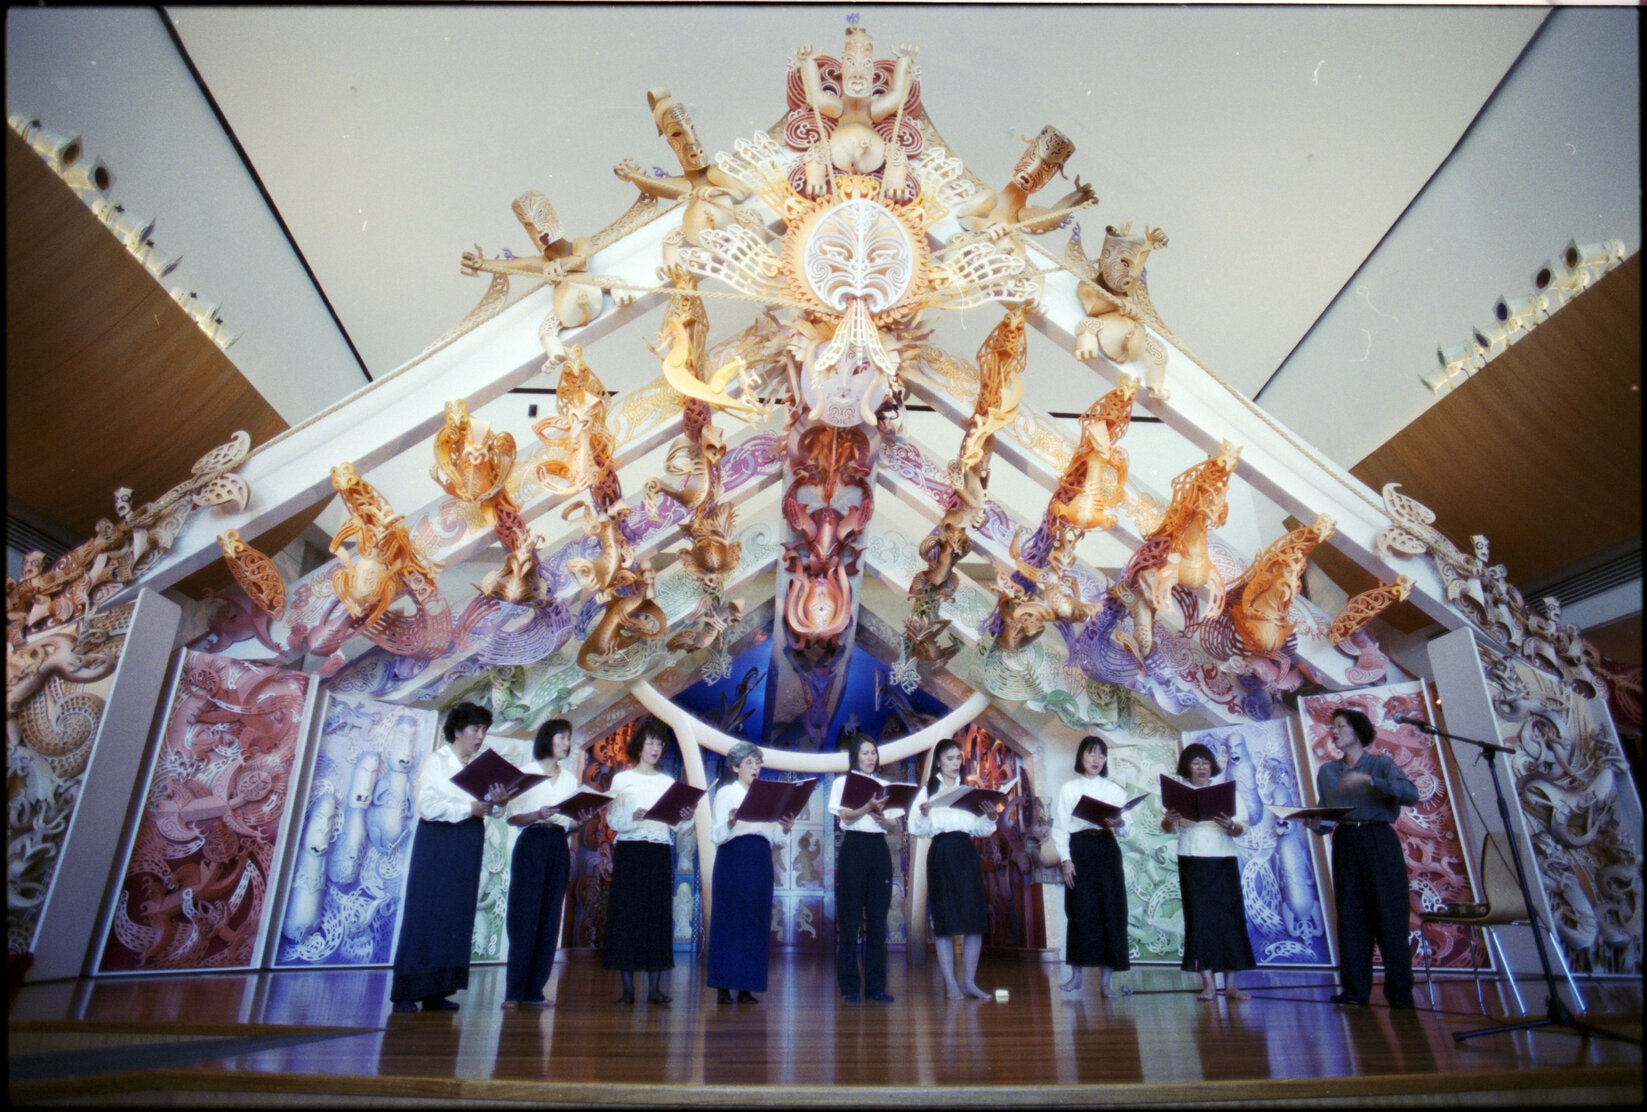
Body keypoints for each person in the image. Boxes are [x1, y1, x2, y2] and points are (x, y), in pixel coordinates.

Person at [389, 702, 499, 1014]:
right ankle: (406, 993)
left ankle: (438, 989)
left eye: (484, 731)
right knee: (426, 912)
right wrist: (468, 808)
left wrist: (499, 803)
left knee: (456, 913)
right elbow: (427, 805)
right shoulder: (436, 761)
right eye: (475, 729)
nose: (480, 736)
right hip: (438, 840)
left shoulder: (481, 768)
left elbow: (492, 810)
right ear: (457, 730)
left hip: (469, 839)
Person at [1307, 708, 1419, 1009]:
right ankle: (1355, 991)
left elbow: (1411, 794)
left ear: (1357, 730)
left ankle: (1400, 991)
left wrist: (1370, 782)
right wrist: (1316, 824)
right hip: (1345, 841)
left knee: (1390, 916)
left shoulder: (1381, 764)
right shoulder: (1327, 772)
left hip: (1379, 839)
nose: (1334, 731)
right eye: (1332, 727)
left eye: (1340, 726)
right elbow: (1327, 817)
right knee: (1351, 917)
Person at [603, 718, 695, 1005]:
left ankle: (655, 988)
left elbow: (678, 827)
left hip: (658, 850)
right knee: (627, 915)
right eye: (650, 742)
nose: (655, 748)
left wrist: (686, 814)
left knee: (657, 915)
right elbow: (614, 820)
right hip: (631, 850)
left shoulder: (668, 783)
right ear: (638, 746)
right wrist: (634, 817)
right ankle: (627, 989)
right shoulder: (622, 779)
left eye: (659, 743)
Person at [1160, 743, 1256, 1002]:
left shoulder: (1227, 791)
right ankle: (1208, 985)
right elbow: (1168, 828)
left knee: (1230, 919)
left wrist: (1230, 825)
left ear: (1212, 765)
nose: (1201, 767)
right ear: (1186, 767)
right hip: (1192, 859)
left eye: (1205, 762)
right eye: (1195, 762)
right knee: (1199, 920)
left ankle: (1232, 985)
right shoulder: (1178, 793)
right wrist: (1169, 819)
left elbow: (1242, 828)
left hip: (1224, 858)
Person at [706, 742, 793, 1004]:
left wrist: (786, 828)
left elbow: (776, 838)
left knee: (755, 921)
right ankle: (723, 985)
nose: (755, 767)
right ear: (735, 767)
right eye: (749, 763)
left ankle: (747, 986)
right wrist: (731, 822)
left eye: (758, 762)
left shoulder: (768, 794)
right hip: (733, 856)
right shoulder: (725, 793)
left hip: (760, 858)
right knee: (729, 920)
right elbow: (715, 835)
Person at [500, 717, 578, 1008]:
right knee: (524, 915)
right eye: (561, 738)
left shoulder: (569, 779)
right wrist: (537, 815)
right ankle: (514, 991)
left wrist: (578, 822)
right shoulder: (527, 773)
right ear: (547, 739)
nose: (566, 744)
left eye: (569, 739)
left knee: (549, 917)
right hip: (532, 841)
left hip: (558, 844)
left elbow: (568, 822)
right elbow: (511, 816)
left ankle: (535, 991)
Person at [910, 737, 995, 1000]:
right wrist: (924, 814)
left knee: (974, 919)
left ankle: (969, 982)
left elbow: (981, 828)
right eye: (949, 758)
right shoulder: (927, 792)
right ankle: (950, 984)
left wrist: (991, 817)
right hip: (942, 853)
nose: (955, 763)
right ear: (938, 761)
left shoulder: (969, 790)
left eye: (958, 758)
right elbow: (916, 829)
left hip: (966, 852)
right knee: (945, 920)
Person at [1050, 735, 1132, 998]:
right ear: (1081, 757)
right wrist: (1065, 860)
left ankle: (1106, 983)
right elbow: (1061, 828)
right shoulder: (1070, 789)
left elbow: (1127, 831)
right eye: (1091, 754)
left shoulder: (1115, 790)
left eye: (1101, 755)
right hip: (1080, 850)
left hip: (1107, 850)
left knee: (1111, 910)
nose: (1096, 760)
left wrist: (1119, 824)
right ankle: (1076, 978)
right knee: (1080, 911)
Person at [828, 729, 901, 1003]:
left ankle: (876, 987)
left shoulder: (885, 784)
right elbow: (844, 817)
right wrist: (867, 807)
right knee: (849, 919)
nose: (871, 757)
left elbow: (895, 826)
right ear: (855, 756)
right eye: (865, 753)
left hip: (878, 849)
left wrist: (883, 817)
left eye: (873, 752)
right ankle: (849, 987)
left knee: (878, 919)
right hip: (854, 847)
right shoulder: (842, 783)